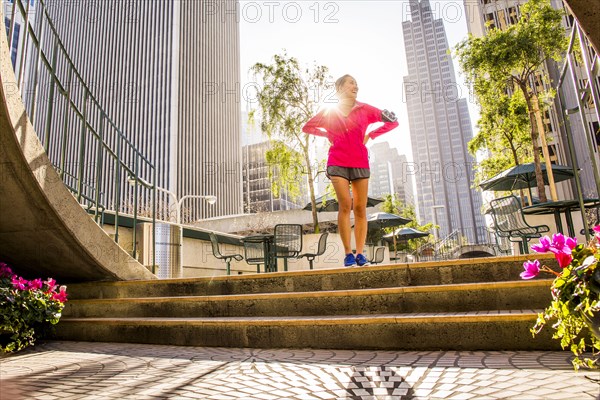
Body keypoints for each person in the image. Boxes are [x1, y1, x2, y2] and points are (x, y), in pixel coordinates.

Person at [302, 74, 399, 267]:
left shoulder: (366, 109)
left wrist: (371, 134)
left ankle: (360, 254)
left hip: (360, 162)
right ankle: (348, 254)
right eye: (351, 83)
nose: (356, 86)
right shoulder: (329, 112)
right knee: (345, 204)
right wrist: (327, 134)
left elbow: (393, 121)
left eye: (356, 83)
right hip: (337, 161)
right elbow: (308, 127)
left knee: (360, 208)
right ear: (340, 89)